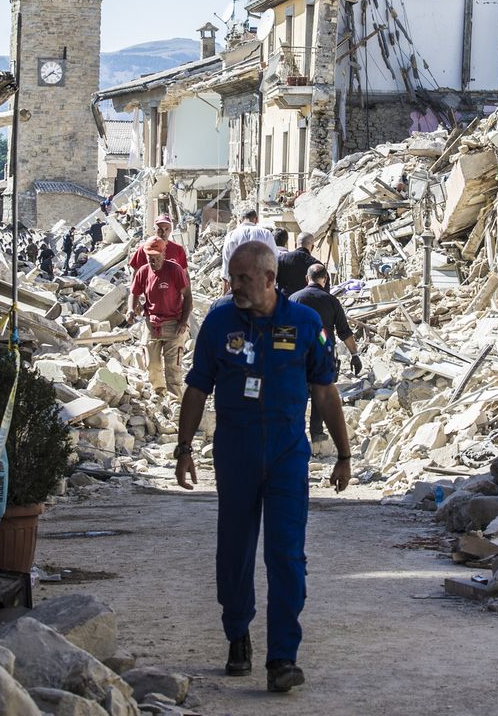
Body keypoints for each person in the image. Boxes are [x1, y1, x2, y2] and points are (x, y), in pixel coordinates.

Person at [175, 241, 351, 693]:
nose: (234, 286)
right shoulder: (218, 322)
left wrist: (345, 455)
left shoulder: (306, 323)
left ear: (270, 280)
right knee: (234, 550)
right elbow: (196, 389)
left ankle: (282, 658)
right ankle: (237, 633)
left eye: (243, 278)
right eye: (232, 277)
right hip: (235, 453)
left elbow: (326, 392)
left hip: (287, 456)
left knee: (287, 555)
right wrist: (183, 448)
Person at [290, 263, 361, 449]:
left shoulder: (293, 299)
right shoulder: (331, 301)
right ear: (325, 279)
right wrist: (355, 354)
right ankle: (317, 434)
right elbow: (344, 332)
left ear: (307, 279)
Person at [127, 237, 193, 396]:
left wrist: (183, 321)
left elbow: (188, 297)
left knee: (173, 366)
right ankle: (159, 392)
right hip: (152, 323)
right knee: (152, 365)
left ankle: (175, 401)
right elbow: (134, 293)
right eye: (150, 258)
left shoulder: (175, 270)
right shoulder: (143, 271)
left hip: (173, 323)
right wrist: (130, 308)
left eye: (157, 257)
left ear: (164, 254)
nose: (153, 261)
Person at [218, 209, 276, 295]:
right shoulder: (266, 234)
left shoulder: (231, 235)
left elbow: (226, 266)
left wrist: (223, 296)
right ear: (256, 219)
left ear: (240, 220)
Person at [276, 231, 317, 297]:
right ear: (312, 247)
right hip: (306, 304)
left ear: (295, 245)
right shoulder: (315, 265)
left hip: (285, 302)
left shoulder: (281, 259)